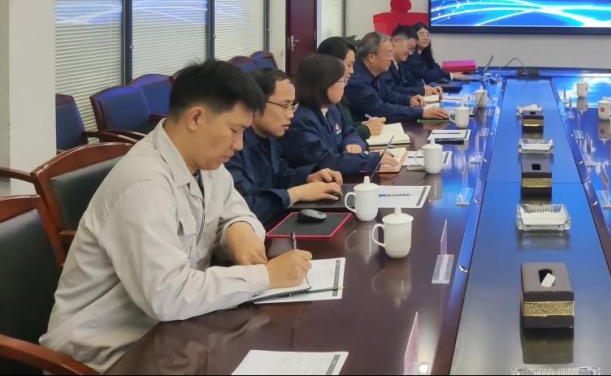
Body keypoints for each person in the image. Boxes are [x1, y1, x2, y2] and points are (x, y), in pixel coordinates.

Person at [41, 60, 312, 372]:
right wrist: (266, 276)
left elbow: (235, 209)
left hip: (172, 333)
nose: (239, 145)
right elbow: (167, 295)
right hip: (106, 356)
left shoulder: (205, 162)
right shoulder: (144, 184)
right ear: (196, 118)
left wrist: (239, 229)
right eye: (234, 130)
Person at [227, 69, 344, 226]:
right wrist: (296, 194)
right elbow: (244, 210)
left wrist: (307, 177)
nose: (291, 115)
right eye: (284, 106)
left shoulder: (270, 137)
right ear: (255, 103)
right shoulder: (232, 147)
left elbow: (278, 174)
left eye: (292, 106)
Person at [282, 54, 399, 174]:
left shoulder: (332, 108)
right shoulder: (302, 121)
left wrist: (352, 142)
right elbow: (324, 161)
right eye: (342, 81)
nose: (344, 85)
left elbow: (348, 131)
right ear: (325, 84)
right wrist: (371, 160)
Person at [344, 32, 450, 122]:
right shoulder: (356, 81)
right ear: (371, 57)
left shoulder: (374, 73)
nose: (391, 58)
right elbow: (380, 110)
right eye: (388, 53)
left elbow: (388, 94)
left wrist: (409, 100)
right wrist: (421, 112)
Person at [316, 36, 385, 141]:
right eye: (349, 65)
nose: (352, 71)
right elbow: (334, 139)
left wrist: (363, 124)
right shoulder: (322, 101)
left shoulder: (337, 98)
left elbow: (345, 127)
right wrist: (366, 129)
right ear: (332, 64)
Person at [385, 25, 442, 100]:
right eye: (410, 48)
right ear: (396, 41)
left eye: (412, 49)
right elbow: (393, 90)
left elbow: (411, 81)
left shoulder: (400, 63)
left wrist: (429, 89)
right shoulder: (384, 64)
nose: (410, 53)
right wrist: (422, 91)